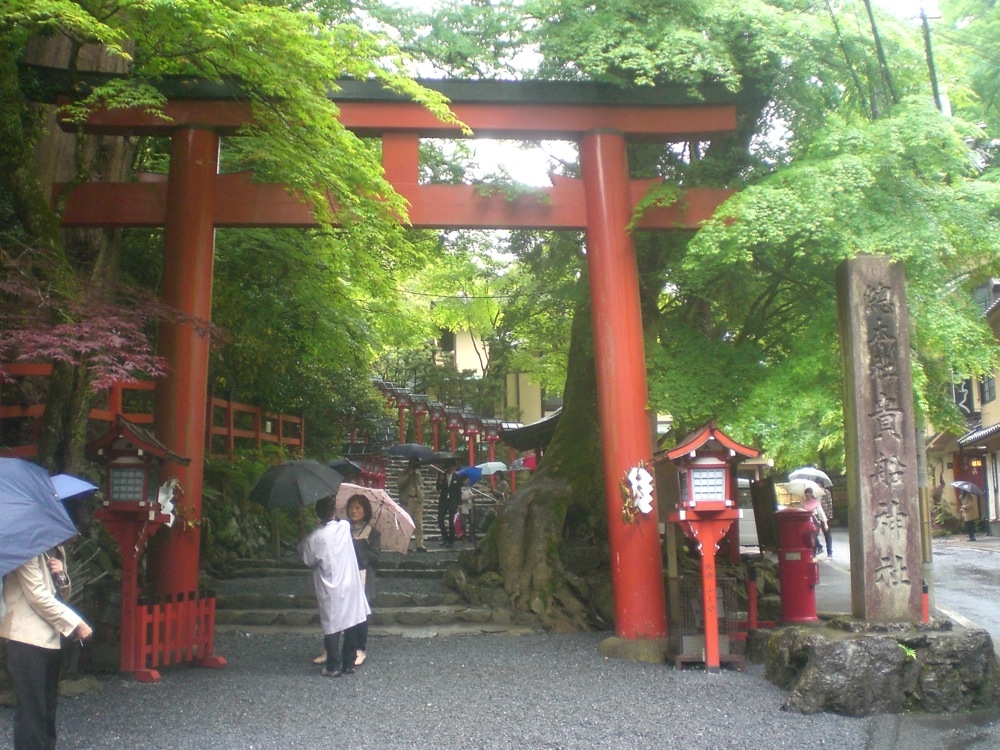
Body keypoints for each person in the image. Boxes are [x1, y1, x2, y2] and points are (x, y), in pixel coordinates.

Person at [1, 546, 93, 749]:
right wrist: (76, 624)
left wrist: (61, 575)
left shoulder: (53, 547)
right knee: (31, 712)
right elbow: (38, 597)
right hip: (25, 637)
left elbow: (62, 594)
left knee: (48, 709)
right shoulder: (22, 547)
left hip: (51, 637)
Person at [299, 495, 369, 678]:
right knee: (351, 621)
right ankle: (348, 663)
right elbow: (342, 524)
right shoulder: (344, 528)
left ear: (318, 515)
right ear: (333, 512)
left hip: (329, 585)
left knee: (331, 625)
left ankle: (333, 665)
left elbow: (308, 561)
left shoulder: (314, 538)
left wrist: (307, 536)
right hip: (349, 583)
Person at [312, 493, 381, 668]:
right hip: (342, 575)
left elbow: (375, 556)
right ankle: (330, 649)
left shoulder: (371, 532)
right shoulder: (341, 528)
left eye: (358, 507)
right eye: (351, 507)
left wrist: (359, 546)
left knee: (360, 614)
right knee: (334, 611)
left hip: (362, 575)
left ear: (366, 510)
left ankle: (359, 648)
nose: (353, 510)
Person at [396, 457, 427, 552]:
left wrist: (421, 496)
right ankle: (406, 544)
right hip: (407, 500)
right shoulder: (403, 472)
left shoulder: (418, 474)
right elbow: (399, 484)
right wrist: (408, 476)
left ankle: (420, 544)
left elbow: (420, 485)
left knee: (419, 524)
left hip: (417, 500)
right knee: (407, 523)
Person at [801, 487, 828, 559]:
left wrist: (825, 523)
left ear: (812, 494)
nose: (807, 497)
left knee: (813, 536)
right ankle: (813, 550)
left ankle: (816, 549)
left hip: (814, 521)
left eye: (808, 495)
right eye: (806, 495)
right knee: (808, 537)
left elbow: (821, 513)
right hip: (805, 521)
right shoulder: (803, 502)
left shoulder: (816, 503)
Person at [437, 462, 458, 546]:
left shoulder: (457, 477)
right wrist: (441, 481)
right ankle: (445, 536)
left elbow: (458, 490)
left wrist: (458, 502)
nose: (451, 468)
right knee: (440, 519)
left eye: (452, 466)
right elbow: (438, 488)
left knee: (451, 520)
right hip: (443, 500)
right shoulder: (442, 475)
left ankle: (451, 540)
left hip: (452, 501)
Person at [816, 483, 834, 558]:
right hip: (816, 516)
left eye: (818, 483)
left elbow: (830, 504)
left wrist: (829, 515)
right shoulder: (814, 493)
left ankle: (829, 552)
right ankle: (819, 547)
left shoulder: (826, 492)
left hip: (825, 516)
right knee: (813, 534)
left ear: (821, 484)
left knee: (827, 535)